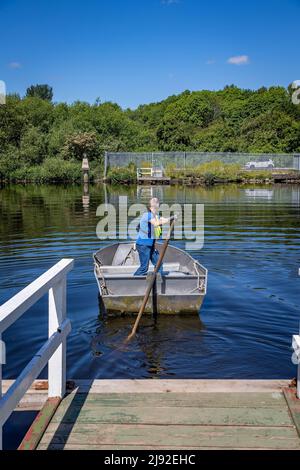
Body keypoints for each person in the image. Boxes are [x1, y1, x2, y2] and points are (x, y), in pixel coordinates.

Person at [134, 197, 176, 276]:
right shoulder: (147, 215)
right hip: (143, 245)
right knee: (144, 268)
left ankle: (157, 281)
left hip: (150, 245)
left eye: (157, 203)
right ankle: (133, 282)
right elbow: (156, 223)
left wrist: (172, 218)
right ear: (150, 207)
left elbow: (162, 219)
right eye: (154, 204)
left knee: (159, 264)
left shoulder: (155, 215)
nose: (157, 205)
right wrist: (170, 219)